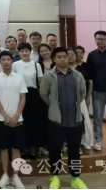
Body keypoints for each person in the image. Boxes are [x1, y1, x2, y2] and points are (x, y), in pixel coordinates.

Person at [40, 48, 88, 190]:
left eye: (65, 56)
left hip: (75, 119)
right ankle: (55, 177)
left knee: (74, 151)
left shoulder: (77, 75)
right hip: (56, 121)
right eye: (59, 57)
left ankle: (75, 178)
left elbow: (82, 93)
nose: (63, 59)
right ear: (54, 59)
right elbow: (44, 94)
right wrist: (54, 105)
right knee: (55, 150)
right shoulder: (49, 76)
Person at [0, 51, 27, 190]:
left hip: (18, 119)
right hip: (2, 119)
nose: (6, 62)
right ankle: (5, 175)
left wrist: (16, 115)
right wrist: (6, 116)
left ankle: (16, 176)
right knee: (4, 148)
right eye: (3, 59)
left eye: (8, 59)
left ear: (12, 61)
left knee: (16, 148)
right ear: (0, 62)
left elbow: (23, 97)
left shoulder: (19, 77)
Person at [13, 43, 44, 160]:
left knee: (34, 122)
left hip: (33, 95)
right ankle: (23, 148)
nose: (24, 53)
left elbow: (40, 82)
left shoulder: (36, 65)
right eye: (22, 51)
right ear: (19, 52)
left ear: (30, 52)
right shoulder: (15, 65)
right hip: (19, 95)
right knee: (21, 122)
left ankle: (33, 148)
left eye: (26, 51)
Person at [68, 48, 94, 151]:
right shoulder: (62, 68)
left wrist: (87, 97)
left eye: (73, 54)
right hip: (66, 99)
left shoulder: (82, 69)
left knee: (83, 120)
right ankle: (72, 143)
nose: (71, 56)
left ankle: (85, 141)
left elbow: (89, 83)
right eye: (68, 54)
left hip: (80, 98)